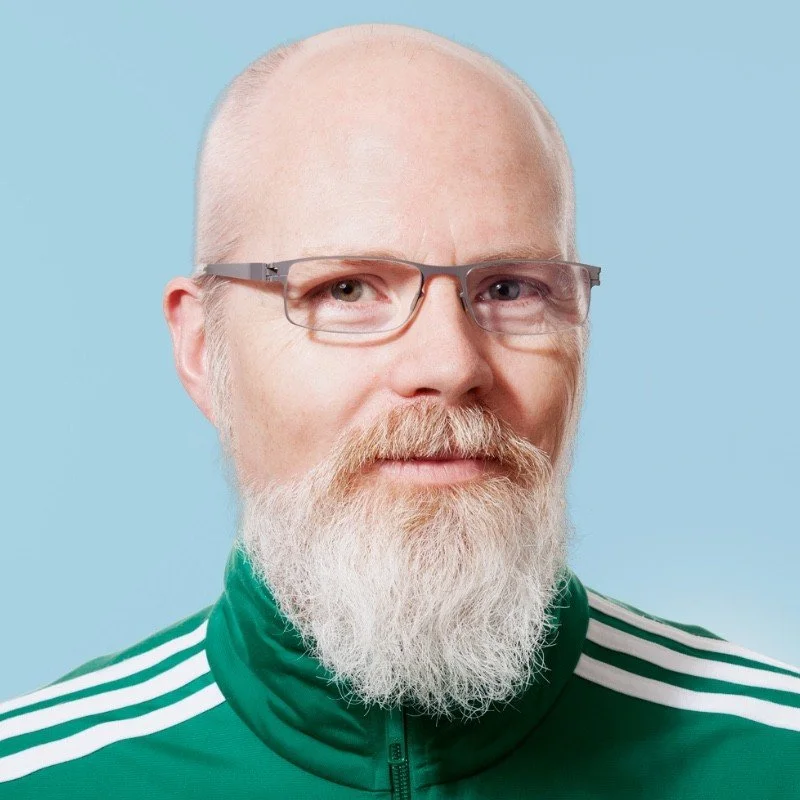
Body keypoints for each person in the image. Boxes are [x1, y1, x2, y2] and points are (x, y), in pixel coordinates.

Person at [1, 22, 797, 799]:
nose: (450, 365)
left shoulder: (773, 762)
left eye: (510, 289)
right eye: (345, 289)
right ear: (203, 349)